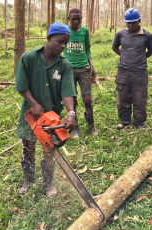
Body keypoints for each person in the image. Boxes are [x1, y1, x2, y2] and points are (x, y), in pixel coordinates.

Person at [15, 22, 77, 198]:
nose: (63, 46)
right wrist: (33, 103)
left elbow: (67, 92)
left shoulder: (64, 65)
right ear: (49, 38)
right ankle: (28, 179)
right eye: (60, 42)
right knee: (28, 146)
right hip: (31, 115)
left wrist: (71, 113)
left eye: (66, 43)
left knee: (49, 150)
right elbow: (21, 86)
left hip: (52, 115)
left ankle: (48, 183)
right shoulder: (29, 58)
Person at [112, 8, 152, 129]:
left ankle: (139, 122)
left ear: (139, 21)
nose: (130, 25)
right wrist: (124, 56)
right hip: (123, 72)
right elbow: (114, 47)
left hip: (140, 73)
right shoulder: (120, 34)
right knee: (123, 97)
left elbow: (151, 50)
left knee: (139, 97)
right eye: (128, 22)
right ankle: (124, 121)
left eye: (133, 22)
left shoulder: (147, 35)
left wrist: (141, 58)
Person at [64, 8, 98, 138]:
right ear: (69, 19)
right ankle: (75, 127)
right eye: (74, 19)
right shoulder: (65, 31)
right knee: (72, 100)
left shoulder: (85, 31)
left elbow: (87, 48)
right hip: (69, 70)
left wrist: (91, 65)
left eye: (79, 18)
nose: (76, 21)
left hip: (84, 69)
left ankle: (91, 125)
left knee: (87, 99)